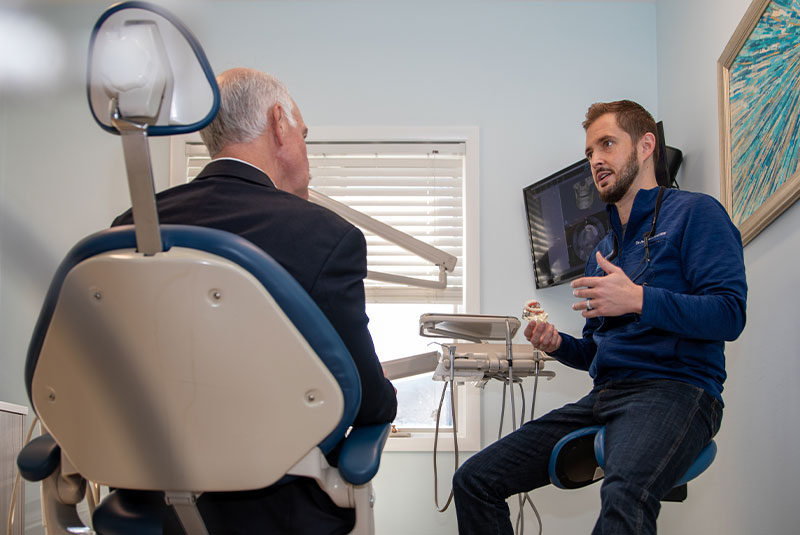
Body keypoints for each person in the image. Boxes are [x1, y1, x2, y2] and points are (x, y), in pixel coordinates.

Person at [112, 67, 397, 534]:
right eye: (304, 135)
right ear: (279, 123)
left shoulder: (129, 228)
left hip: (154, 507)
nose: (308, 154)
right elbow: (369, 405)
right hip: (280, 513)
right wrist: (383, 391)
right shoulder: (325, 234)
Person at [452, 100, 747, 534]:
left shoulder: (697, 214)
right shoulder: (603, 252)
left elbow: (729, 314)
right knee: (475, 481)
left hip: (676, 391)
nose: (596, 160)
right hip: (607, 395)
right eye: (590, 152)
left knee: (624, 499)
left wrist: (639, 299)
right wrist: (558, 344)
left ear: (646, 146)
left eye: (607, 144)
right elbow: (596, 350)